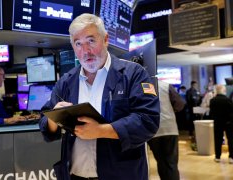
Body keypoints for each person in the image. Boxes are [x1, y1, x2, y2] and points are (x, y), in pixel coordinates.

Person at [39, 13, 160, 180]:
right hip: (75, 175)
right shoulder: (67, 81)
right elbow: (44, 121)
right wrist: (54, 118)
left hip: (121, 175)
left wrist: (101, 131)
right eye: (78, 43)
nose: (85, 51)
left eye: (91, 41)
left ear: (105, 39)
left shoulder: (133, 74)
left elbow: (148, 121)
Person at [148, 80, 185, 180]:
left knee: (161, 161)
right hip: (169, 128)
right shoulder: (166, 86)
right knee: (171, 162)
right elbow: (180, 104)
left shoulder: (140, 85)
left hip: (152, 130)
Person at [209, 84, 233, 164]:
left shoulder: (212, 100)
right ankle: (231, 157)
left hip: (217, 122)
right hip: (228, 122)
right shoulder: (228, 100)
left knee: (218, 139)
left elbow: (211, 113)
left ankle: (217, 156)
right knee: (231, 139)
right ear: (224, 91)